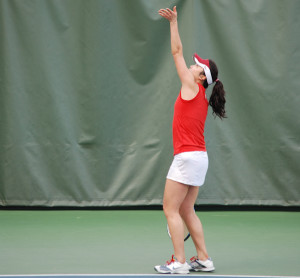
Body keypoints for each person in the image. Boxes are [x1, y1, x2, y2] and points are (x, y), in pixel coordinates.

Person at [155, 6, 226, 274]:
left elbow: (176, 52)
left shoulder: (191, 86)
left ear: (200, 76)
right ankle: (204, 258)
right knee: (187, 210)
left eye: (197, 66)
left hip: (186, 158)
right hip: (200, 159)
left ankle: (180, 262)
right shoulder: (200, 97)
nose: (193, 65)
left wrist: (174, 23)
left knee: (170, 209)